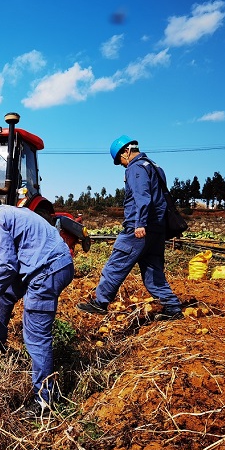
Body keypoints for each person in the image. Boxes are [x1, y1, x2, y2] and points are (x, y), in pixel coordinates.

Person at [0, 184, 74, 416]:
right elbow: (10, 259)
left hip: (46, 270)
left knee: (35, 335)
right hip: (45, 264)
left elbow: (7, 266)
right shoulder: (5, 213)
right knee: (4, 292)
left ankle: (44, 401)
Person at [77, 135, 182, 320]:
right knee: (153, 271)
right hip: (157, 228)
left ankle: (100, 302)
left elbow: (143, 197)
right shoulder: (155, 166)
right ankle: (172, 307)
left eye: (121, 160)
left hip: (139, 228)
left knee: (115, 264)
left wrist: (140, 223)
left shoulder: (136, 168)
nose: (123, 164)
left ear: (126, 151)